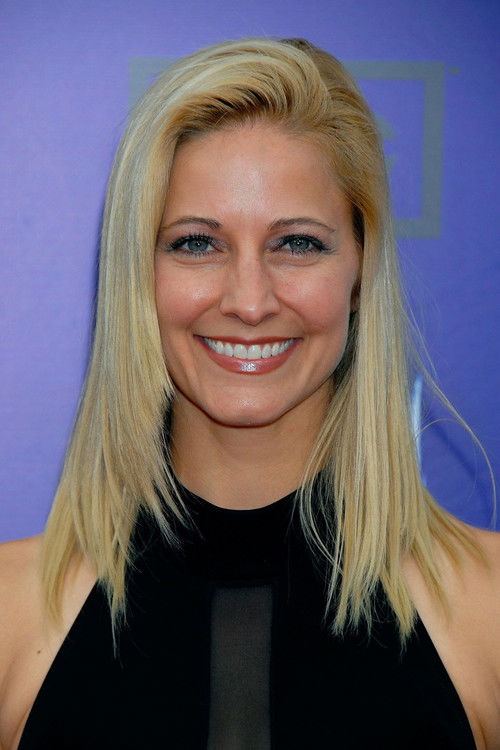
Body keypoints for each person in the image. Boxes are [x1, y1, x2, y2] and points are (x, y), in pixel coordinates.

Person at [0, 37, 498, 750]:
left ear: (360, 273)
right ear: (139, 276)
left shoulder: (488, 612)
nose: (250, 301)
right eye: (197, 243)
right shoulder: (11, 612)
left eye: (297, 243)